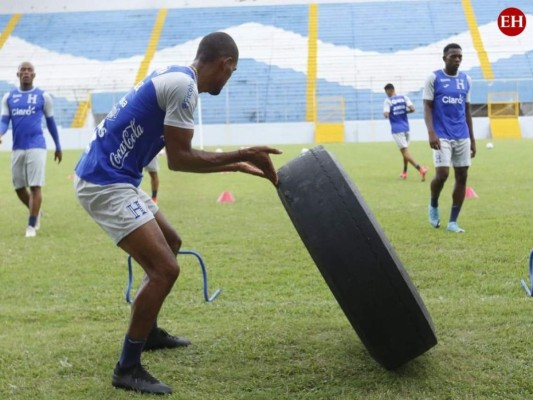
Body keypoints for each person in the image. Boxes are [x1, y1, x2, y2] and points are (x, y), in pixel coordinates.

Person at [74, 32, 281, 395]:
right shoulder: (184, 88)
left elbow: (180, 154)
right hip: (104, 181)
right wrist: (240, 155)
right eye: (231, 73)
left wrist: (234, 162)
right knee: (165, 269)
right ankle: (127, 367)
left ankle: (148, 332)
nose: (228, 79)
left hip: (115, 176)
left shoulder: (177, 76)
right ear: (225, 64)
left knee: (171, 242)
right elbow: (180, 160)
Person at [0, 61, 62, 238]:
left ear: (34, 75)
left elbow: (50, 123)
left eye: (29, 70)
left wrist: (58, 145)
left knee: (35, 186)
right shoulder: (9, 97)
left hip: (37, 146)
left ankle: (31, 225)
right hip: (17, 147)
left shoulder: (43, 96)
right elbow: (4, 120)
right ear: (18, 74)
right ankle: (35, 211)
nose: (26, 72)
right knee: (19, 187)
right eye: (23, 70)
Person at [423, 43, 476, 233]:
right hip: (441, 134)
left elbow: (467, 110)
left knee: (462, 176)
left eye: (460, 56)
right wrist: (431, 132)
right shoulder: (434, 78)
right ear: (444, 58)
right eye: (454, 56)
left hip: (462, 135)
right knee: (443, 174)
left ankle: (453, 222)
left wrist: (472, 138)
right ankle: (434, 204)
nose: (457, 60)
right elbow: (427, 106)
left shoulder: (466, 80)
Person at [383, 83, 427, 181]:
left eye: (386, 92)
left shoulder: (388, 101)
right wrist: (403, 111)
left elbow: (386, 114)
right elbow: (412, 109)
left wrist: (387, 113)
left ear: (389, 91)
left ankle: (420, 169)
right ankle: (404, 172)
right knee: (405, 152)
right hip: (406, 128)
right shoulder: (404, 98)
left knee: (405, 152)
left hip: (397, 129)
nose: (386, 94)